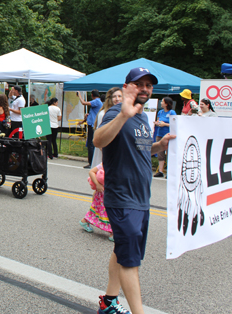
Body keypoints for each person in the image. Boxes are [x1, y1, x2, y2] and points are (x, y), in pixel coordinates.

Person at [93, 67, 175, 314]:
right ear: (127, 86)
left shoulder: (142, 117)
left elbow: (139, 148)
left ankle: (108, 302)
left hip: (141, 197)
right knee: (130, 260)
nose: (145, 89)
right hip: (122, 197)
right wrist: (122, 116)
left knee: (123, 250)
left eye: (149, 85)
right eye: (139, 84)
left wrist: (158, 145)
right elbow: (98, 140)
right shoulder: (117, 112)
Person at [79, 163, 113, 241]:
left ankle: (85, 221)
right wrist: (97, 184)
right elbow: (91, 172)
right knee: (106, 211)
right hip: (103, 193)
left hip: (109, 194)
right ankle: (113, 232)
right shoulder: (105, 163)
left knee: (99, 210)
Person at [91, 87, 122, 167]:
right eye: (114, 96)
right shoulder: (104, 113)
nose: (117, 99)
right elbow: (100, 137)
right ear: (110, 99)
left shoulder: (123, 113)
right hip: (105, 152)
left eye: (119, 96)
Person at [78, 90, 103, 169]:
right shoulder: (98, 102)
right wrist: (83, 120)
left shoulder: (96, 101)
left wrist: (79, 95)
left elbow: (83, 103)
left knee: (91, 144)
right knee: (90, 143)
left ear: (92, 95)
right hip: (92, 124)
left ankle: (91, 162)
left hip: (92, 125)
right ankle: (92, 162)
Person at [153, 97, 177, 177]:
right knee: (160, 153)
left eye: (162, 101)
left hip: (168, 134)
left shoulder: (172, 112)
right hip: (160, 134)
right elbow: (159, 121)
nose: (161, 103)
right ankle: (160, 171)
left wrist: (165, 124)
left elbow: (175, 124)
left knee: (169, 152)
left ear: (167, 103)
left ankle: (170, 171)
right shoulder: (160, 112)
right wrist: (157, 123)